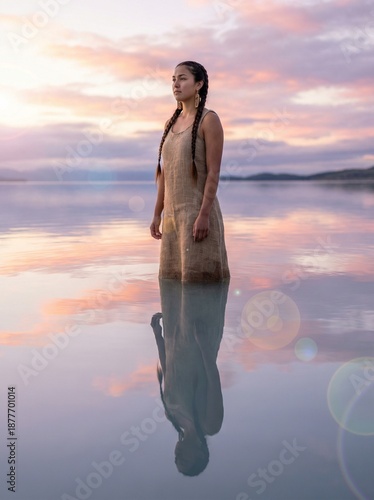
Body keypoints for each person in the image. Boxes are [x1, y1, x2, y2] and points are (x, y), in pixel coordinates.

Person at [150, 61, 230, 282]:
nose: (176, 84)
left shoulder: (209, 120)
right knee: (172, 288)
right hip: (173, 221)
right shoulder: (170, 123)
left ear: (198, 85)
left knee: (200, 289)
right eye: (173, 79)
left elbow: (214, 173)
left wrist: (203, 215)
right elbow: (166, 173)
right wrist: (158, 214)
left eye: (182, 78)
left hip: (198, 220)